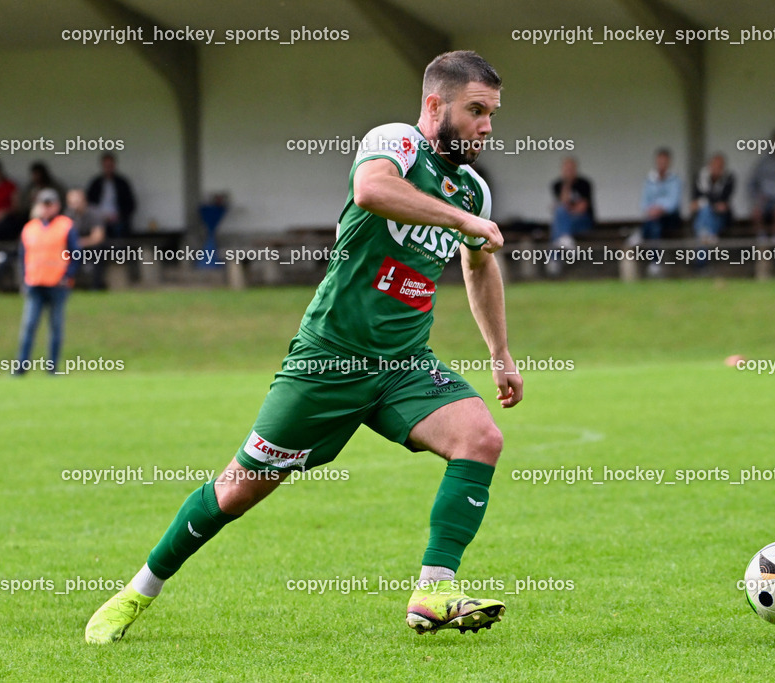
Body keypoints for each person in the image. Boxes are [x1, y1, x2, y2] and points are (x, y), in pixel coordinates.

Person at [85, 50, 522, 644]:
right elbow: (371, 191)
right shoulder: (394, 144)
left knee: (481, 437)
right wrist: (460, 222)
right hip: (329, 361)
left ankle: (434, 590)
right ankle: (137, 592)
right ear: (433, 105)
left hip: (404, 364)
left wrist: (500, 352)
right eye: (476, 111)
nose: (487, 127)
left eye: (492, 114)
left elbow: (480, 268)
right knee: (237, 489)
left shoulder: (472, 191)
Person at [15, 188, 79, 375]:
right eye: (44, 204)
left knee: (56, 328)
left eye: (50, 204)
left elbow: (76, 254)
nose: (47, 208)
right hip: (35, 284)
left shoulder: (66, 226)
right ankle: (21, 368)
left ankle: (52, 368)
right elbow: (23, 257)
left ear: (57, 206)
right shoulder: (30, 228)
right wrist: (24, 280)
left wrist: (68, 276)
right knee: (28, 326)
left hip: (58, 285)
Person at [639, 147, 682, 275]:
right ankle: (655, 261)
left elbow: (673, 203)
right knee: (654, 225)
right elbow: (643, 203)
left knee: (654, 224)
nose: (662, 164)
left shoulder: (675, 180)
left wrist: (659, 209)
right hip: (654, 218)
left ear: (669, 162)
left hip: (670, 218)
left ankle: (640, 234)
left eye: (664, 161)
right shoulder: (649, 180)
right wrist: (652, 210)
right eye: (660, 161)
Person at [64, 189, 107, 289]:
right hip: (74, 248)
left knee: (98, 251)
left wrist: (79, 243)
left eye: (76, 202)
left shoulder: (94, 213)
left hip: (91, 248)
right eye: (71, 203)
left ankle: (96, 286)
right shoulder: (68, 215)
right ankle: (66, 284)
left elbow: (98, 237)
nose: (74, 206)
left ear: (84, 201)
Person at [86, 153, 136, 238]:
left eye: (110, 165)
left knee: (119, 232)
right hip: (99, 219)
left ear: (114, 165)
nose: (108, 168)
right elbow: (89, 203)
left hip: (118, 219)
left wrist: (119, 216)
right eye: (106, 165)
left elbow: (131, 204)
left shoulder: (122, 183)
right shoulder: (96, 183)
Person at [690, 153, 735, 241]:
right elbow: (695, 200)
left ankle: (706, 235)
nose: (716, 169)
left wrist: (703, 202)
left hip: (720, 217)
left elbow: (723, 201)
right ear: (709, 166)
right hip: (701, 215)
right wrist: (709, 203)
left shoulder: (729, 178)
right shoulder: (700, 176)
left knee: (706, 213)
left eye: (720, 166)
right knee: (705, 211)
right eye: (714, 165)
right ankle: (709, 235)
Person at [550, 156, 594, 243]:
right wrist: (567, 183)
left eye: (571, 169)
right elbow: (563, 203)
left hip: (583, 220)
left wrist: (568, 209)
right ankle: (564, 242)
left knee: (559, 225)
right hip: (565, 220)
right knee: (559, 214)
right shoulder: (557, 185)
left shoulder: (584, 184)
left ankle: (557, 252)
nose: (569, 171)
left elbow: (582, 208)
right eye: (566, 169)